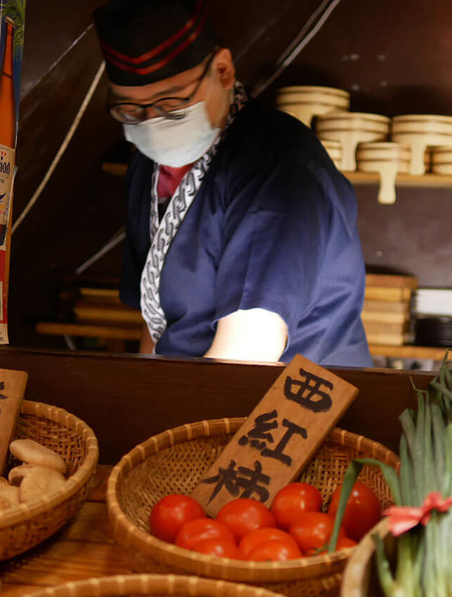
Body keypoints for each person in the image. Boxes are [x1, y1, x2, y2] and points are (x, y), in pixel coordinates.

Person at [93, 0, 372, 367]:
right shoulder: (148, 167)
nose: (152, 124)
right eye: (130, 110)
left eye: (172, 105)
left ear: (223, 70)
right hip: (192, 390)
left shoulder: (276, 163)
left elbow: (250, 349)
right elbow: (155, 318)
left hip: (284, 405)